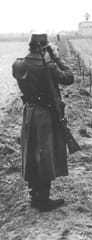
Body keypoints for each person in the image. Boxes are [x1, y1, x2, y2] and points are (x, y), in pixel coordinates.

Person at [12, 33, 74, 212]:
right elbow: (69, 78)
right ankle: (44, 199)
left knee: (30, 151)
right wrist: (55, 56)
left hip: (29, 112)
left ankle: (34, 194)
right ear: (44, 47)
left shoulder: (18, 64)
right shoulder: (49, 67)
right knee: (46, 153)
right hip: (46, 115)